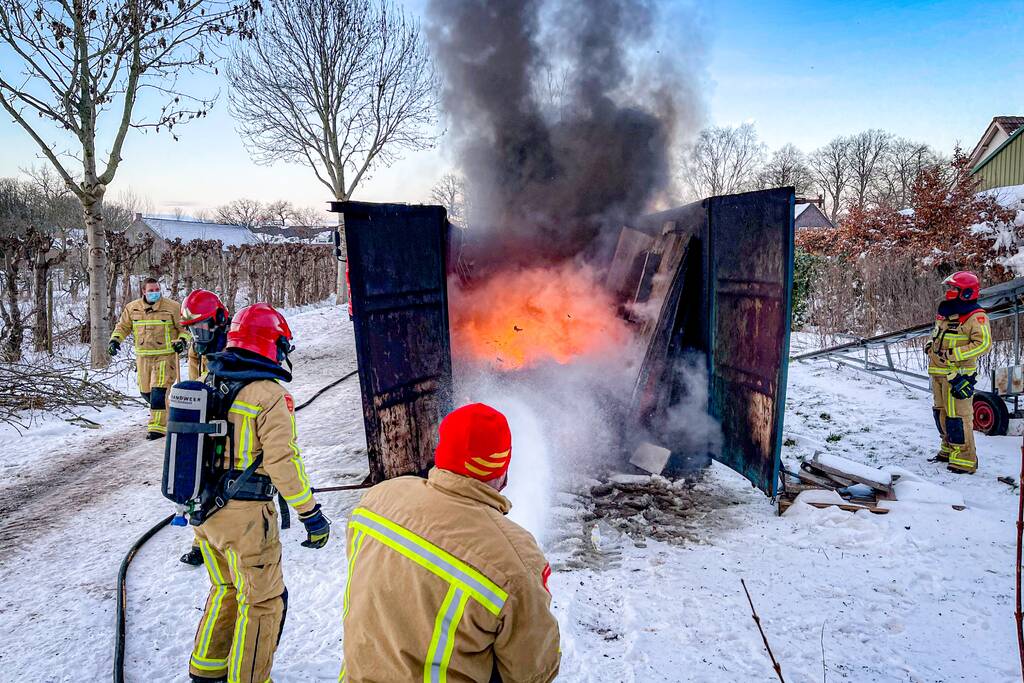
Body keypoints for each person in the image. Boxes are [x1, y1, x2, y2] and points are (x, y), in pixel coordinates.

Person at [340, 403, 561, 683]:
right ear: (503, 471)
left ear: (441, 453)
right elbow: (532, 672)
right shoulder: (515, 560)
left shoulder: (376, 500)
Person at [188, 303, 330, 683]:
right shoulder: (268, 395)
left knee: (226, 589)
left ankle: (205, 671)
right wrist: (310, 514)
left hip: (204, 514)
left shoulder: (208, 381)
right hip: (247, 518)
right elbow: (283, 461)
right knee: (263, 602)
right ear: (273, 343)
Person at [177, 289, 232, 568]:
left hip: (235, 418)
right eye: (191, 331)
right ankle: (200, 543)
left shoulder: (234, 342)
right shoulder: (199, 347)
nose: (197, 336)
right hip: (210, 416)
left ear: (219, 319)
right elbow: (196, 380)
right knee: (203, 477)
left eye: (200, 328)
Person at [926, 271, 992, 474]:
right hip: (938, 371)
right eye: (950, 288)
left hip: (958, 375)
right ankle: (948, 449)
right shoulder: (946, 312)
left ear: (966, 292)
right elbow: (937, 333)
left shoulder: (976, 316)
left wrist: (955, 354)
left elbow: (984, 344)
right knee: (941, 413)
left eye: (954, 288)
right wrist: (929, 344)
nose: (950, 292)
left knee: (958, 416)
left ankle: (964, 458)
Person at [109, 277, 188, 440]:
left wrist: (182, 341)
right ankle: (171, 415)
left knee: (158, 392)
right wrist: (115, 340)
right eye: (151, 290)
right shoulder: (132, 308)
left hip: (165, 357)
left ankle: (157, 429)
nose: (155, 293)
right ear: (143, 292)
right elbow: (123, 327)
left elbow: (184, 328)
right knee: (146, 393)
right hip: (143, 358)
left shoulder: (172, 307)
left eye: (157, 290)